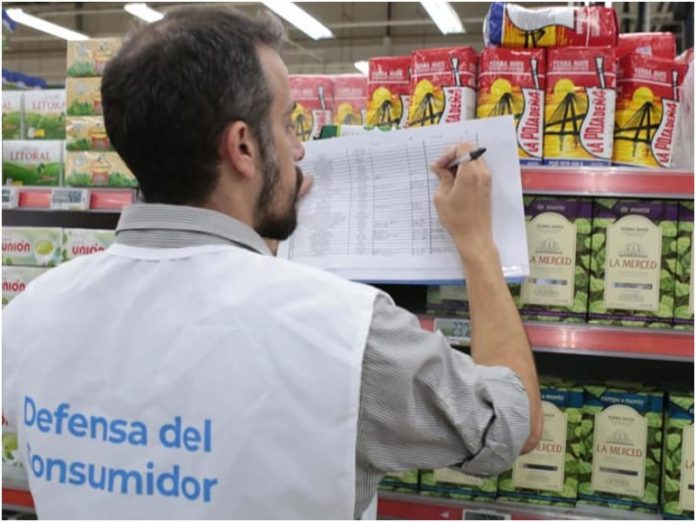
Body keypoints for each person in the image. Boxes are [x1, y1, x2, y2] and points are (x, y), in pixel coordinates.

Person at [2, 6, 541, 520]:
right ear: (242, 147)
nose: (298, 149)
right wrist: (477, 245)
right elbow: (511, 425)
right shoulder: (348, 332)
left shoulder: (27, 316)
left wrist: (253, 237)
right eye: (287, 124)